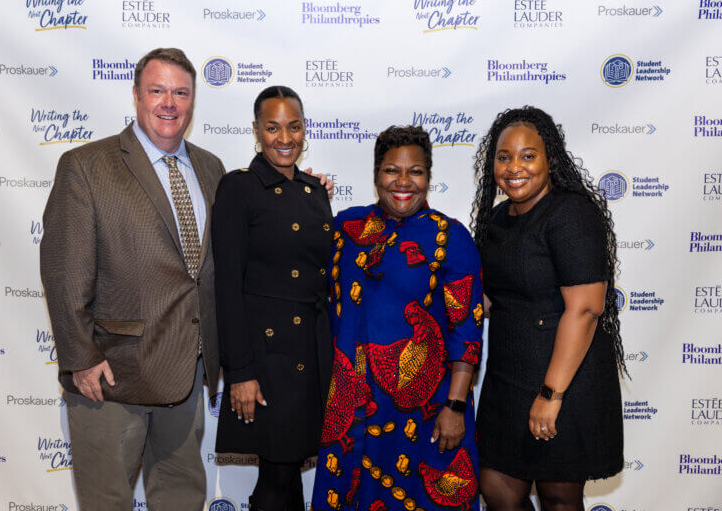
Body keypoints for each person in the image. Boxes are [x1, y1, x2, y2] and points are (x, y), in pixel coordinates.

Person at [40, 47, 225, 511]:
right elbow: (64, 270)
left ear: (193, 100)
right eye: (158, 91)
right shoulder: (87, 165)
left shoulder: (211, 168)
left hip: (186, 374)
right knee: (107, 503)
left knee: (183, 499)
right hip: (109, 377)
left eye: (180, 92)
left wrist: (301, 188)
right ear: (137, 95)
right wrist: (81, 357)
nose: (169, 103)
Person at [312, 126, 484, 511]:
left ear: (429, 177)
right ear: (376, 175)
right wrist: (303, 196)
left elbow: (467, 331)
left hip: (426, 413)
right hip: (352, 408)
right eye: (392, 170)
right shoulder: (345, 228)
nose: (404, 181)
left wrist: (454, 408)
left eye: (416, 171)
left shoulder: (451, 236)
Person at [470, 106, 625, 510]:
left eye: (527, 155)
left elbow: (586, 309)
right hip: (508, 377)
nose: (514, 167)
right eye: (503, 157)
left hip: (563, 379)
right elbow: (493, 296)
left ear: (549, 159)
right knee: (498, 489)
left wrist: (551, 394)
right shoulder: (498, 219)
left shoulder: (571, 213)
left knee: (559, 496)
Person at [211, 85, 334, 511]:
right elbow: (226, 287)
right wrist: (240, 372)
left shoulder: (314, 191)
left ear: (305, 129)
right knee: (278, 473)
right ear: (256, 131)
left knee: (288, 469)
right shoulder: (238, 188)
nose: (285, 138)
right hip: (267, 358)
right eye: (273, 127)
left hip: (312, 352)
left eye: (294, 126)